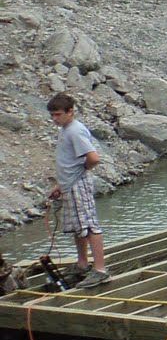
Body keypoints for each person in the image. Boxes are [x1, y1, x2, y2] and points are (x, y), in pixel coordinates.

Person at [47, 92, 110, 288]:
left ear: (70, 112)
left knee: (89, 225)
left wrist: (81, 171)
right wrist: (61, 185)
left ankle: (100, 270)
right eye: (52, 115)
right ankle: (82, 263)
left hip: (78, 184)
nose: (54, 119)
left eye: (58, 114)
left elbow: (94, 158)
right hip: (70, 185)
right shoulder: (65, 129)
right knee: (78, 226)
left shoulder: (75, 131)